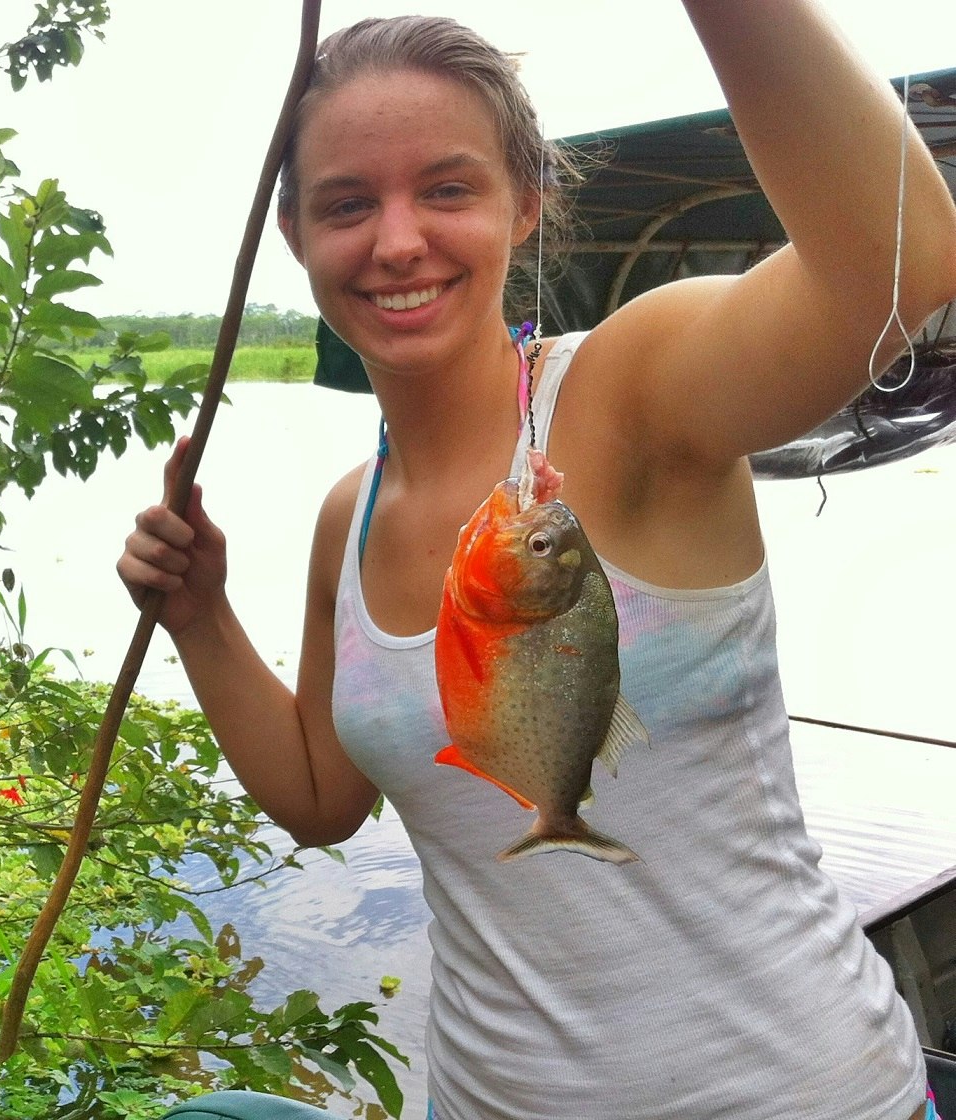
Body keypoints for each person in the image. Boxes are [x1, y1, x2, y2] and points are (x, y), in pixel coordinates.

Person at [119, 6, 956, 1119]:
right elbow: (322, 799)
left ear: (527, 202)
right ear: (295, 236)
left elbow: (890, 273)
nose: (398, 239)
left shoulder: (631, 391)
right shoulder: (346, 519)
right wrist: (200, 615)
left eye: (448, 189)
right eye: (348, 203)